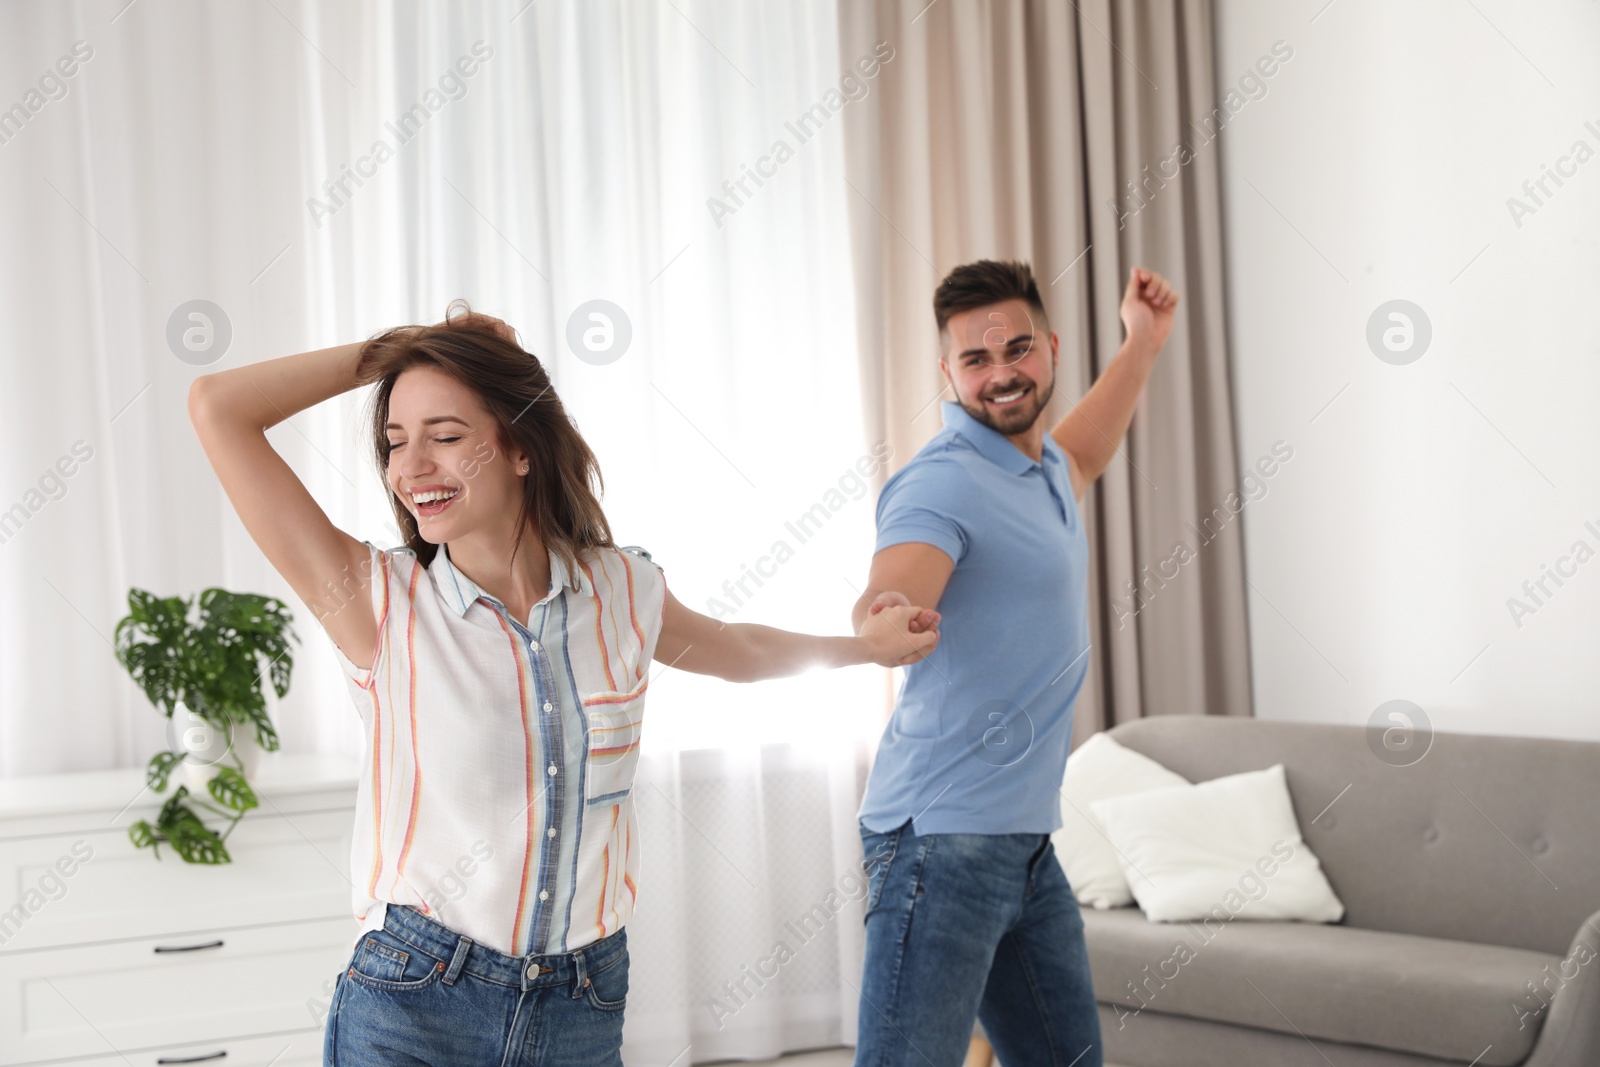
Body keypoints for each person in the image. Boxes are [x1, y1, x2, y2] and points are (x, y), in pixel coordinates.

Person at [186, 300, 942, 1067]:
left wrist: (866, 649)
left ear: (520, 449)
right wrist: (414, 347)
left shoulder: (620, 589)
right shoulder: (376, 602)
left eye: (445, 436)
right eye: (394, 441)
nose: (410, 467)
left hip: (581, 998)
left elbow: (737, 649)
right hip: (416, 1002)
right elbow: (219, 408)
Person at [850, 259, 1178, 1066]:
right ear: (948, 373)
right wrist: (882, 617)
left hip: (1027, 843)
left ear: (1052, 349)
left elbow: (1089, 446)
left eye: (1019, 350)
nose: (1002, 374)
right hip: (941, 843)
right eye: (977, 359)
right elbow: (889, 589)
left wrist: (1142, 341)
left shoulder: (1045, 471)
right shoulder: (942, 483)